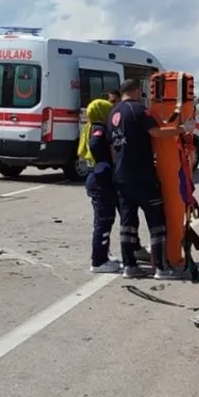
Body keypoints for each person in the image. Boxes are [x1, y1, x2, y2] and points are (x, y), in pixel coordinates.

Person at [109, 79, 196, 279]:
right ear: (137, 91)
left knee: (127, 223)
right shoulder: (140, 110)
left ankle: (129, 266)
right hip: (142, 175)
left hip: (121, 175)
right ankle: (161, 268)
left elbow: (113, 147)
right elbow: (156, 132)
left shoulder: (113, 113)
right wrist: (183, 129)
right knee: (156, 221)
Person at [77, 98, 121, 274]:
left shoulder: (89, 126)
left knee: (104, 219)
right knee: (103, 221)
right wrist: (105, 162)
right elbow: (96, 146)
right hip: (99, 180)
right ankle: (98, 261)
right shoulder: (99, 129)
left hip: (94, 178)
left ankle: (104, 253)